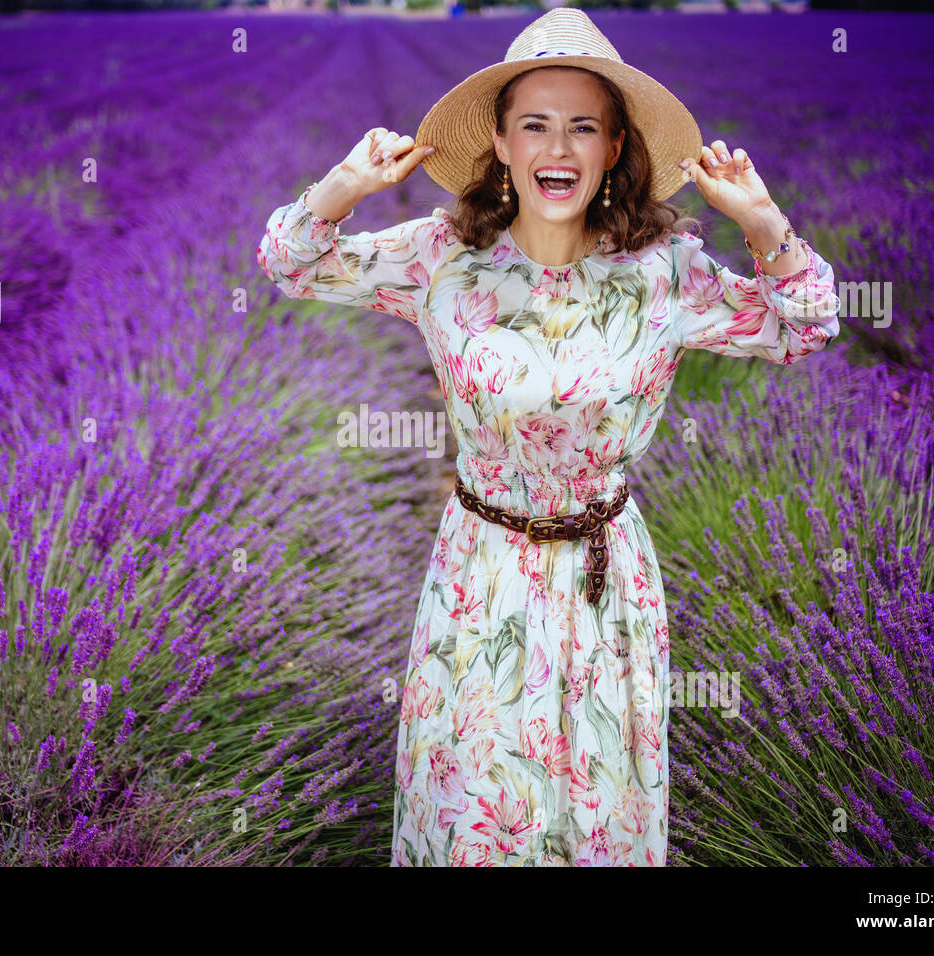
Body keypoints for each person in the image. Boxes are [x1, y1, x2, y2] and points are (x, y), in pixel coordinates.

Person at [256, 8, 841, 867]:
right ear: (499, 141)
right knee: (475, 811)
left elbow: (806, 326)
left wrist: (761, 222)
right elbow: (291, 261)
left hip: (607, 581)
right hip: (480, 574)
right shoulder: (441, 257)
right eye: (534, 125)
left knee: (597, 810)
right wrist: (346, 186)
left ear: (614, 148)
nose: (556, 149)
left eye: (582, 128)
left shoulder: (662, 273)